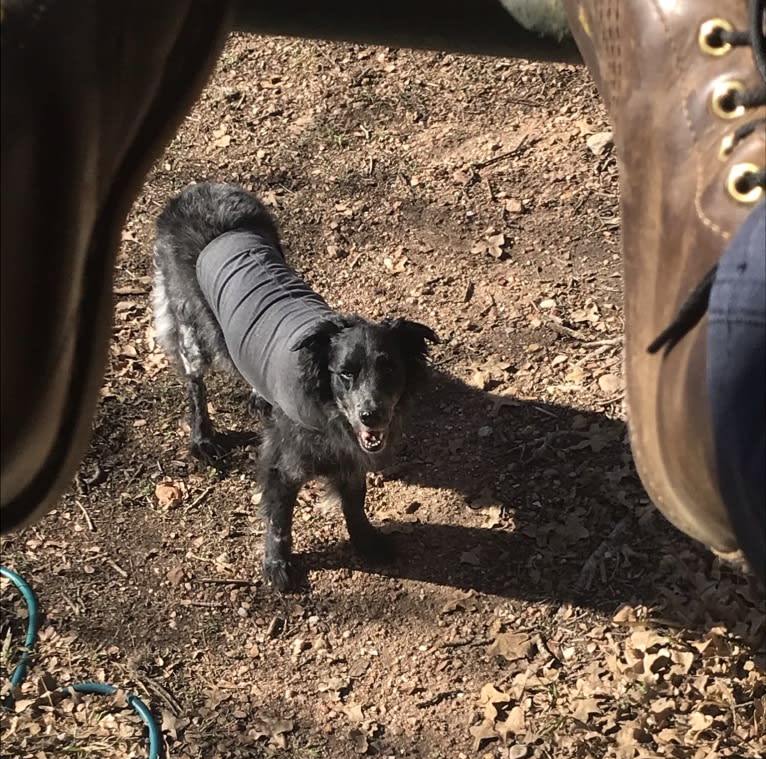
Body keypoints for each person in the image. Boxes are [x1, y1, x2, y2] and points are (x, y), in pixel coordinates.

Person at [2, 0, 764, 581]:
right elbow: (278, 469)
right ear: (325, 374)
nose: (372, 401)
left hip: (240, 235)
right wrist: (279, 549)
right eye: (358, 381)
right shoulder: (304, 407)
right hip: (196, 246)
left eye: (385, 377)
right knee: (199, 360)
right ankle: (195, 411)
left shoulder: (364, 379)